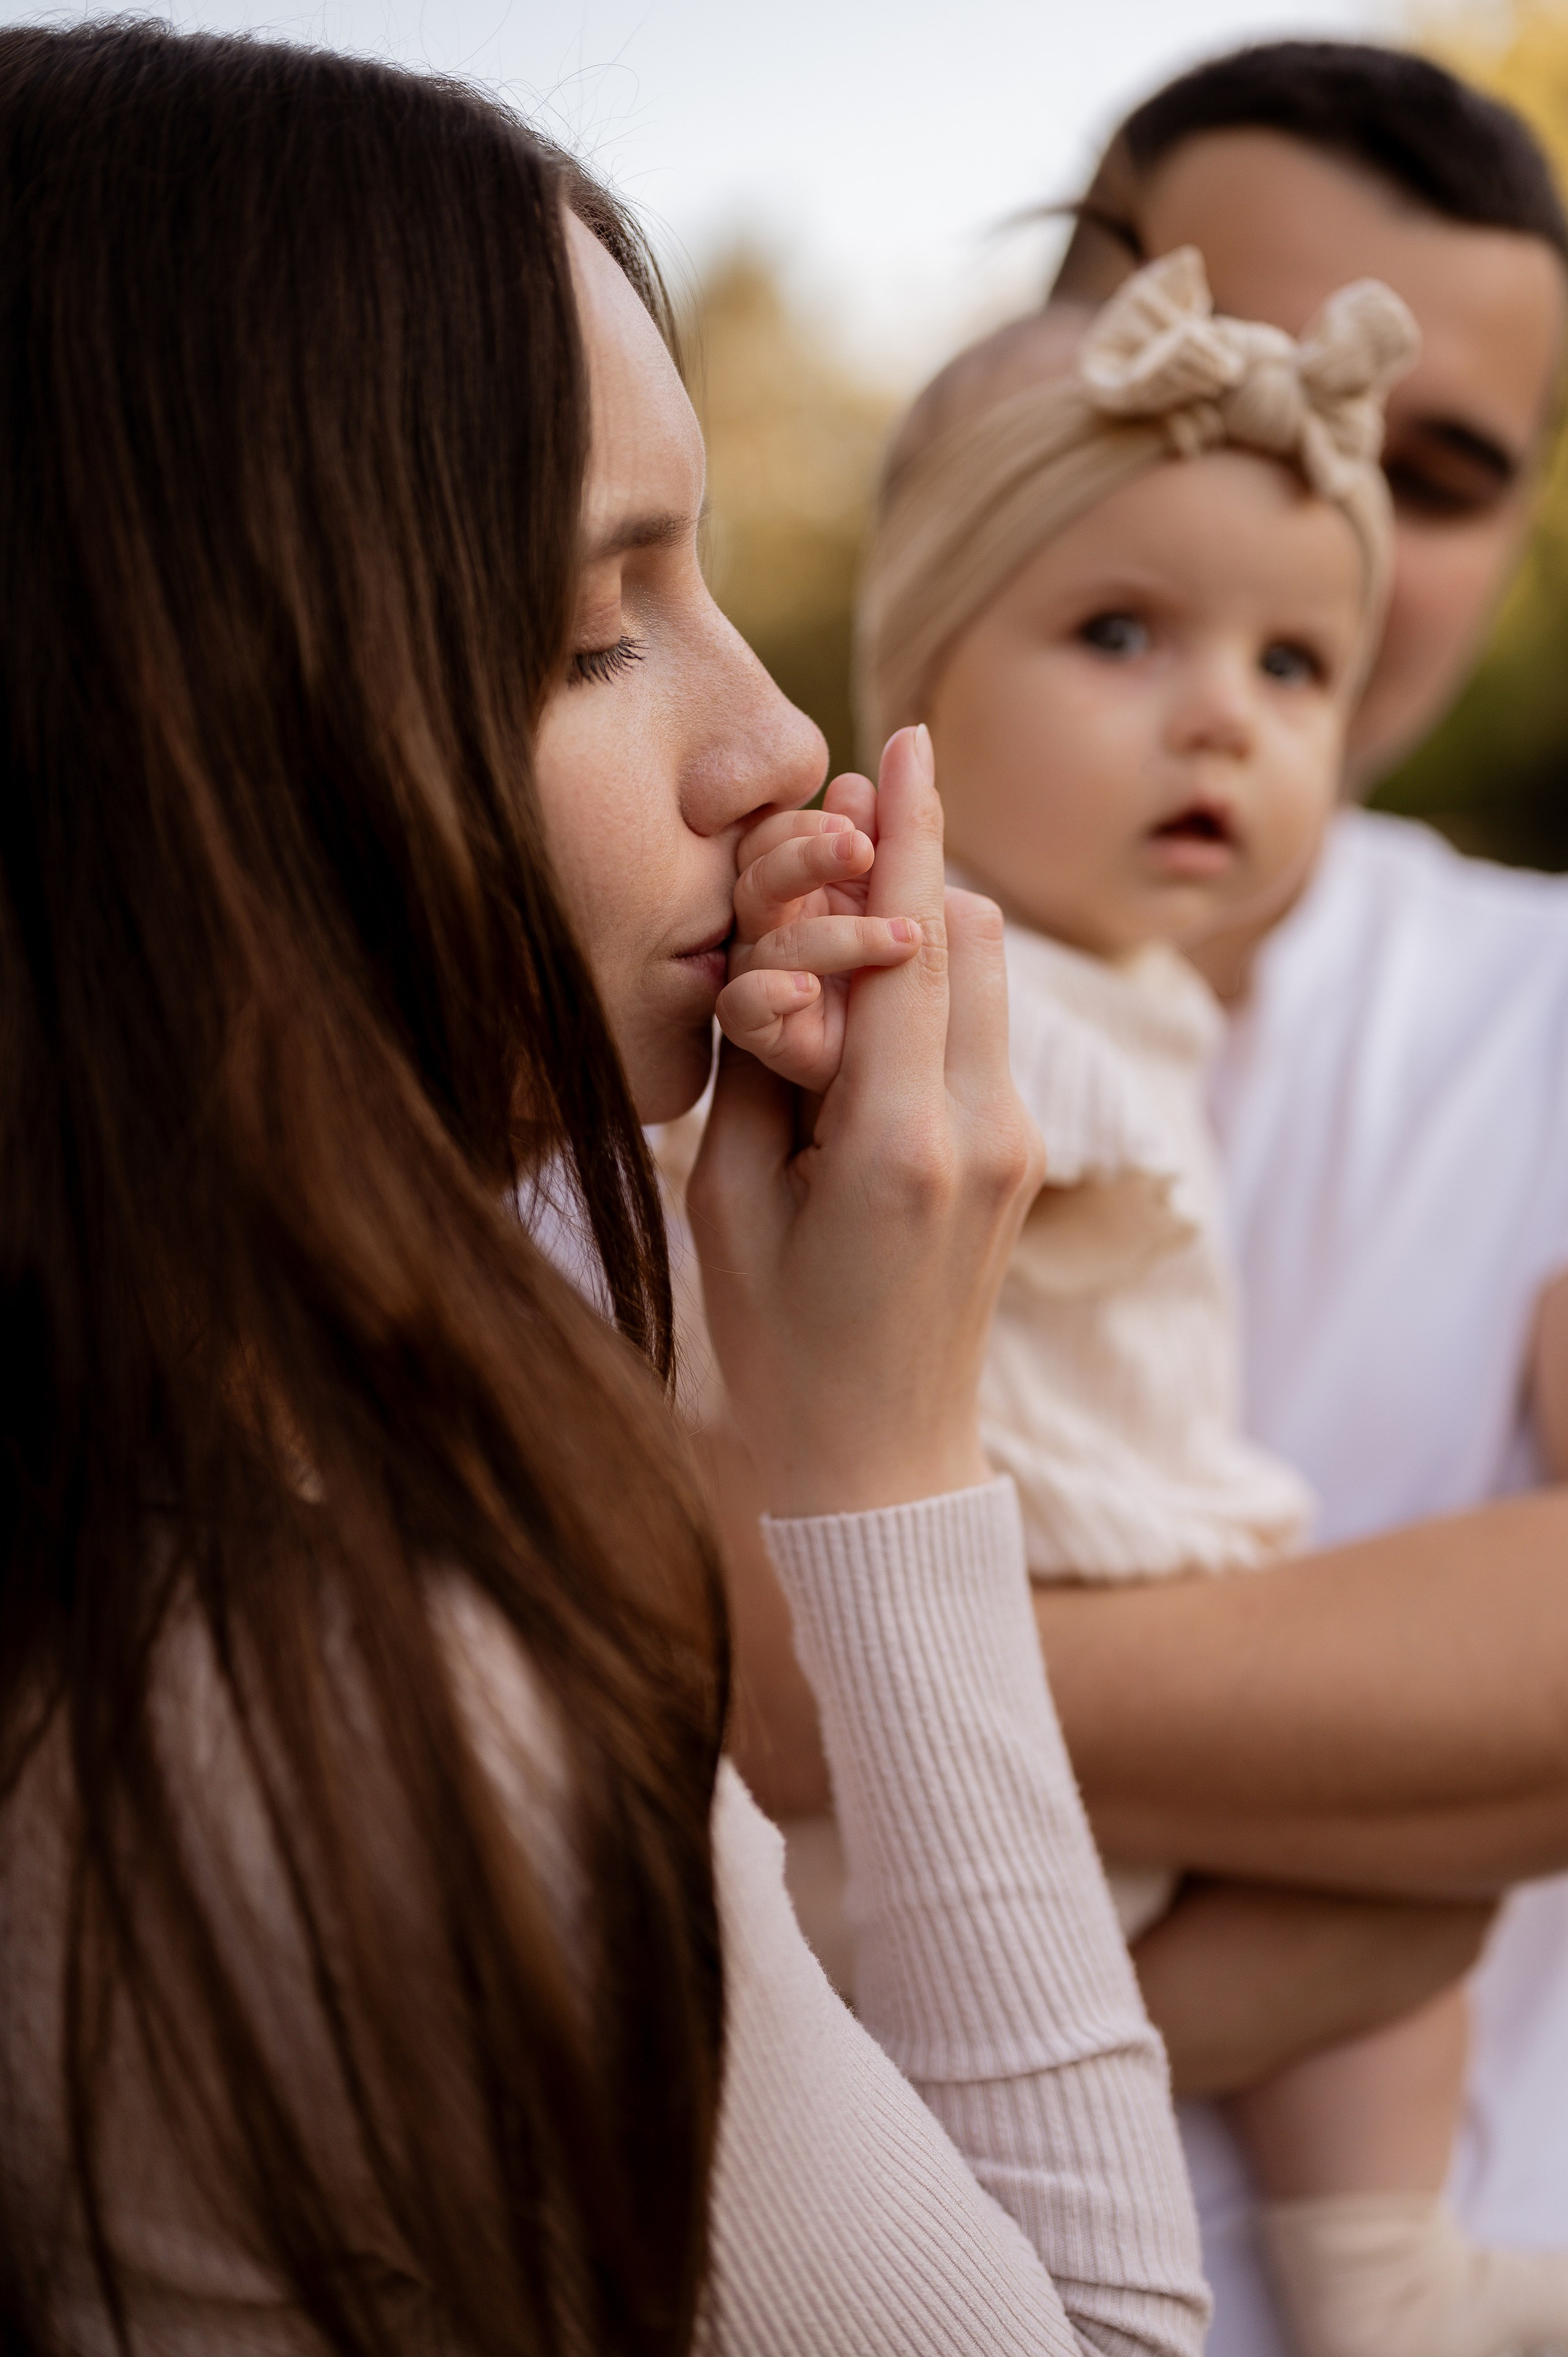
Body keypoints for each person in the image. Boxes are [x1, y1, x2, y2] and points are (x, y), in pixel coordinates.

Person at [0, 20, 1215, 2356]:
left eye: (711, 576)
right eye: (593, 627)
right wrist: (885, 1465)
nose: (772, 746)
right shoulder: (360, 1701)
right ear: (178, 732)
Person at [695, 36, 1568, 2357]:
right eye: (1210, 359)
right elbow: (653, 1618)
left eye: (1440, 472)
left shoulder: (1539, 1006)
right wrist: (1399, 1752)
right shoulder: (800, 959)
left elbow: (764, 1671)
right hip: (852, 2259)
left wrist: (873, 1666)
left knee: (1421, 1942)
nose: (1298, 462)